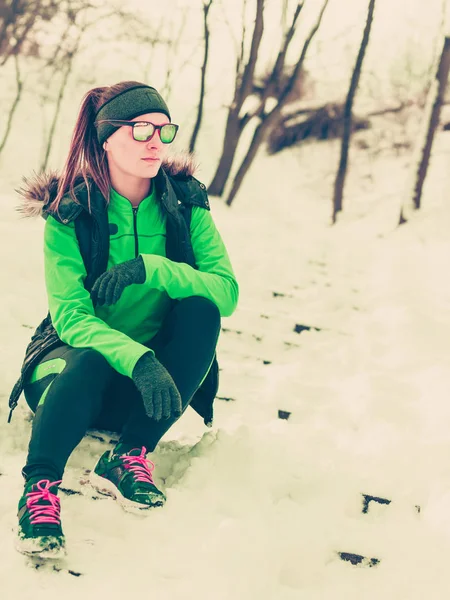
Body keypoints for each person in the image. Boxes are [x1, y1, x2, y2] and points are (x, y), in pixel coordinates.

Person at [8, 81, 239, 558]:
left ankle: (129, 454)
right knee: (91, 355)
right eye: (139, 130)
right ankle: (39, 491)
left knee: (202, 309)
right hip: (67, 383)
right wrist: (137, 358)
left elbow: (227, 292)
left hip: (144, 397)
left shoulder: (185, 205)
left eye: (162, 130)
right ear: (105, 138)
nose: (155, 141)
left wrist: (153, 269)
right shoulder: (71, 213)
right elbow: (70, 317)